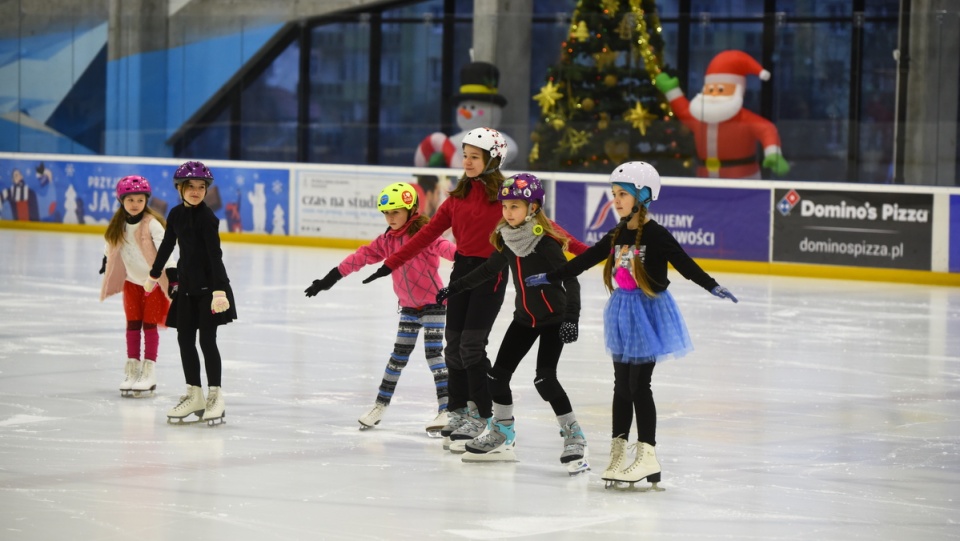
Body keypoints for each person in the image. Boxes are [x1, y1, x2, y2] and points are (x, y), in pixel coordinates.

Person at [363, 127, 589, 451]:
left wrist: (599, 254)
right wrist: (390, 263)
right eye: (465, 156)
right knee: (452, 345)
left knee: (471, 346)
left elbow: (554, 232)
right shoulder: (456, 198)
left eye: (474, 157)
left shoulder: (506, 199)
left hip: (491, 274)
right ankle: (457, 411)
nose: (466, 162)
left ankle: (483, 416)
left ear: (492, 159)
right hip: (461, 272)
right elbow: (424, 237)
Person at [525, 161, 739, 490]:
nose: (616, 200)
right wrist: (553, 276)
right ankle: (618, 452)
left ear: (643, 195)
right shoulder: (616, 233)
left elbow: (684, 264)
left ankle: (648, 455)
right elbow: (586, 259)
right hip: (622, 310)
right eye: (613, 194)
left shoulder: (656, 234)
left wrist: (712, 285)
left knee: (640, 385)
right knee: (621, 386)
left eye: (622, 194)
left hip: (649, 311)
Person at [435, 173, 589, 475]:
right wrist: (456, 287)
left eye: (515, 206)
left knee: (545, 379)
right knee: (496, 378)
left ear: (532, 208)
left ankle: (574, 435)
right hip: (524, 319)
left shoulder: (545, 243)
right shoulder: (507, 239)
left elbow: (570, 279)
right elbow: (488, 270)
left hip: (552, 320)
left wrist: (571, 319)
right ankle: (504, 431)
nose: (508, 212)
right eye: (505, 206)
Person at [304, 182, 455, 436]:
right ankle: (379, 406)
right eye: (386, 212)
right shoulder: (386, 241)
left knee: (434, 355)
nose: (390, 217)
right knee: (397, 358)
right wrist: (329, 279)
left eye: (395, 211)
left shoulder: (426, 235)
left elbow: (447, 250)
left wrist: (472, 259)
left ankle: (446, 409)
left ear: (411, 210)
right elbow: (360, 257)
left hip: (434, 305)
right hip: (408, 308)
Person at [147, 161, 237, 426]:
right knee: (185, 340)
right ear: (180, 188)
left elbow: (215, 256)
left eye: (201, 187)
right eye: (191, 187)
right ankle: (194, 394)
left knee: (207, 342)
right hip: (186, 290)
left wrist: (219, 290)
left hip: (211, 290)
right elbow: (167, 246)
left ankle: (215, 396)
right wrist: (154, 273)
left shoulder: (208, 218)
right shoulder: (175, 215)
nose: (196, 191)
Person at [99, 175, 174, 397]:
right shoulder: (118, 225)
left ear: (146, 201)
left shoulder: (152, 224)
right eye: (130, 200)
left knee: (149, 326)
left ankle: (149, 371)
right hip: (132, 283)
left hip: (152, 284)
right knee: (132, 325)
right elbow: (110, 245)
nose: (135, 204)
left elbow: (165, 250)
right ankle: (132, 368)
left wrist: (172, 274)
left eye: (140, 200)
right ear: (121, 201)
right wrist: (105, 260)